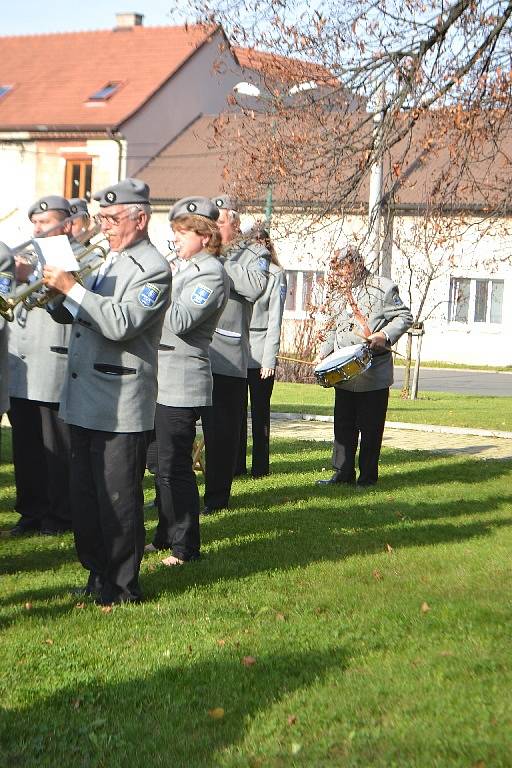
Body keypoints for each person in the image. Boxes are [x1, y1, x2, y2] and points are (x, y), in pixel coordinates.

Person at [44, 178, 170, 605]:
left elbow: (121, 323)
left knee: (118, 500)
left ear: (141, 218)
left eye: (113, 219)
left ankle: (122, 586)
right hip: (83, 398)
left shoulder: (153, 268)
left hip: (121, 403)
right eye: (101, 218)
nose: (106, 227)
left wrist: (72, 289)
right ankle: (97, 574)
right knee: (86, 499)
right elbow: (71, 313)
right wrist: (53, 293)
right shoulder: (103, 260)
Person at [145, 196, 229, 565]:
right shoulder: (185, 268)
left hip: (181, 381)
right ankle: (165, 535)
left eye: (181, 233)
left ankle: (185, 546)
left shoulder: (210, 273)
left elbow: (179, 321)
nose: (175, 240)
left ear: (204, 235)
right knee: (159, 465)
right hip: (159, 378)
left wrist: (156, 285)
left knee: (175, 467)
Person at [316, 245, 412, 487]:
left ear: (357, 265)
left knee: (370, 430)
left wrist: (384, 335)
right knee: (343, 428)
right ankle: (342, 474)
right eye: (337, 272)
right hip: (345, 374)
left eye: (344, 271)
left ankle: (367, 478)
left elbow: (404, 317)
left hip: (373, 373)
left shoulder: (383, 287)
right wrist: (323, 354)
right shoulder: (339, 292)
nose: (340, 277)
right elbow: (336, 327)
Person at [8, 195, 75, 536]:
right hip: (22, 365)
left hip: (53, 361)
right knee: (27, 445)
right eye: (35, 222)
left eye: (44, 221)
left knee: (57, 448)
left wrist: (27, 275)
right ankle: (30, 511)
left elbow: (61, 301)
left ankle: (60, 514)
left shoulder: (68, 253)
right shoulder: (26, 254)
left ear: (65, 222)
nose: (38, 228)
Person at [201, 195, 270, 513]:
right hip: (189, 353)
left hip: (225, 356)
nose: (212, 227)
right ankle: (168, 496)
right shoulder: (196, 249)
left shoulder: (255, 253)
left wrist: (217, 263)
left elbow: (256, 287)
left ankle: (216, 498)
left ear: (235, 224)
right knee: (173, 431)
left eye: (218, 221)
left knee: (221, 433)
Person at [236, 225, 287, 478]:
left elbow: (275, 319)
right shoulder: (239, 270)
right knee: (235, 413)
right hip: (236, 349)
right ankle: (236, 465)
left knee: (259, 414)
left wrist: (270, 359)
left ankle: (260, 467)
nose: (256, 246)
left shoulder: (276, 274)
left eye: (260, 241)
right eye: (251, 242)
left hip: (260, 347)